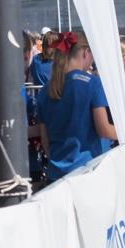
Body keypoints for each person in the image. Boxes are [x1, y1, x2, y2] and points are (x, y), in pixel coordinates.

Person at [37, 33, 118, 182]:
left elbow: (45, 140)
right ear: (86, 52)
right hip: (87, 172)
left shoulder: (45, 90)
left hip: (56, 174)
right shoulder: (93, 84)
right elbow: (104, 129)